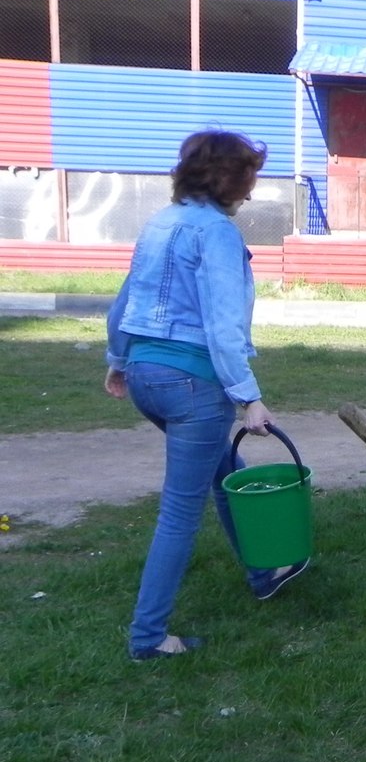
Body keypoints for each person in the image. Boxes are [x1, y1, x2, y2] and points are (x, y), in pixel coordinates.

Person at [103, 130, 306, 662]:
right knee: (179, 511)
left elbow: (126, 299)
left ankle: (263, 573)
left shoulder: (160, 223)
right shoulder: (215, 233)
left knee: (225, 470)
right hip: (194, 385)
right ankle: (147, 638)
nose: (252, 188)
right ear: (229, 179)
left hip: (149, 377)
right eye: (249, 176)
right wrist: (249, 397)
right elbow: (222, 324)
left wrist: (119, 359)